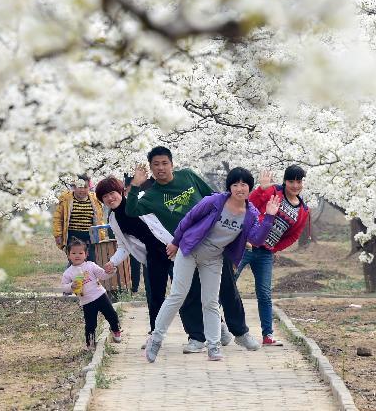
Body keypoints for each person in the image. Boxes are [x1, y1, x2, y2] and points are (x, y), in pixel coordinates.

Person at [123, 146, 261, 353]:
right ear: (151, 168)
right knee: (187, 293)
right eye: (156, 165)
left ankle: (240, 333)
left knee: (227, 289)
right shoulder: (151, 196)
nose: (161, 168)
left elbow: (213, 196)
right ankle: (197, 337)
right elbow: (131, 210)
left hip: (214, 243)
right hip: (185, 247)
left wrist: (237, 231)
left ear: (172, 164)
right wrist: (135, 185)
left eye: (165, 163)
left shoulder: (187, 176)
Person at [145, 168, 280, 362]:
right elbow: (188, 219)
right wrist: (175, 242)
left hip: (213, 259)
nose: (239, 188)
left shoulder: (250, 213)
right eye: (235, 184)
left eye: (244, 184)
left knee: (210, 301)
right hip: (189, 251)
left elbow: (257, 239)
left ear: (250, 187)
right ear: (230, 187)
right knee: (178, 295)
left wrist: (269, 217)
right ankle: (156, 340)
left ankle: (214, 346)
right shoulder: (215, 201)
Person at [96, 176, 178, 342]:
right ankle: (156, 335)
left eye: (112, 193)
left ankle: (208, 330)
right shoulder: (113, 219)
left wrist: (177, 241)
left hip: (173, 248)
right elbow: (123, 246)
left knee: (188, 291)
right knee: (154, 296)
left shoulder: (141, 200)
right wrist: (112, 262)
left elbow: (169, 217)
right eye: (105, 197)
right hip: (153, 256)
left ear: (121, 191)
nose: (110, 198)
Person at [236, 165, 310, 346]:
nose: (294, 185)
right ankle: (216, 327)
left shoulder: (303, 210)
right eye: (291, 181)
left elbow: (294, 235)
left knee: (264, 293)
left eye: (298, 182)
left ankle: (267, 335)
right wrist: (262, 188)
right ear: (285, 181)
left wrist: (274, 248)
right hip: (245, 245)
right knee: (227, 284)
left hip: (265, 254)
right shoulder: (273, 191)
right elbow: (250, 204)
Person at [60, 237, 121, 349]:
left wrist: (111, 272)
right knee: (90, 324)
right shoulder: (68, 273)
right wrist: (71, 286)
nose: (77, 255)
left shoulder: (91, 265)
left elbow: (102, 275)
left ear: (86, 254)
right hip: (86, 301)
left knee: (112, 314)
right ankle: (90, 343)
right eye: (73, 253)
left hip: (101, 296)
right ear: (68, 255)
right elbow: (64, 287)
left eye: (80, 253)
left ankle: (116, 330)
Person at [53, 174, 107, 263]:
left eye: (85, 187)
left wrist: (101, 235)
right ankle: (72, 277)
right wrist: (58, 234)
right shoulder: (66, 199)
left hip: (90, 238)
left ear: (89, 188)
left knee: (91, 263)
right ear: (74, 187)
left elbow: (99, 220)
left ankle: (89, 277)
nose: (82, 190)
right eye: (80, 187)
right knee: (75, 263)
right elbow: (58, 218)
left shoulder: (94, 199)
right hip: (72, 237)